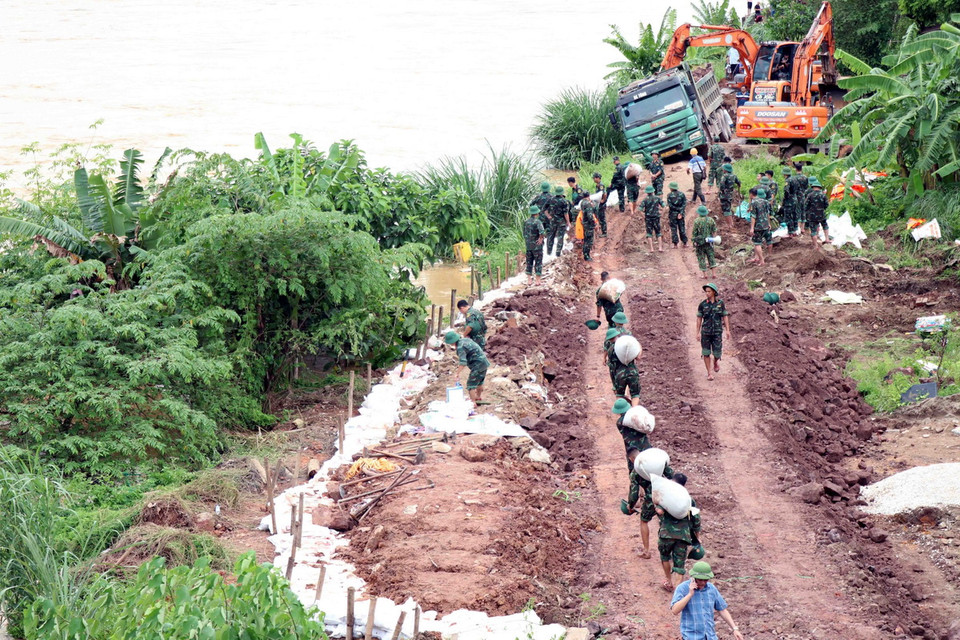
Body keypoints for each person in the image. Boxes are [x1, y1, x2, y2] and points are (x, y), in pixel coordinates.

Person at [623, 444, 675, 560]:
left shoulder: (635, 473)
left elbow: (634, 493)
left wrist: (630, 505)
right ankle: (670, 552)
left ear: (631, 459)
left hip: (651, 498)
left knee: (644, 521)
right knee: (665, 522)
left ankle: (646, 551)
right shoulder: (656, 463)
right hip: (665, 495)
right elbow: (671, 474)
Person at [671, 562, 745, 640]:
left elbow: (722, 609)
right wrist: (689, 594)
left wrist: (734, 629)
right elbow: (675, 610)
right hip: (692, 637)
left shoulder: (711, 588)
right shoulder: (682, 588)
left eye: (706, 580)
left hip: (710, 636)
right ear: (694, 577)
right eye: (700, 580)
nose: (703, 583)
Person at [656, 472, 701, 591]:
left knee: (665, 557)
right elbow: (696, 519)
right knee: (679, 565)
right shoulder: (688, 499)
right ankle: (677, 591)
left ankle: (668, 581)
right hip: (683, 536)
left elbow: (659, 512)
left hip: (666, 534)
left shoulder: (667, 496)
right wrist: (697, 537)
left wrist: (657, 504)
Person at [696, 283, 732, 381]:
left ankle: (715, 362)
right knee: (706, 353)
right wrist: (697, 332)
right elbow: (699, 318)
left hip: (717, 333)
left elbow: (725, 316)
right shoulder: (702, 305)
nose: (707, 293)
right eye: (706, 291)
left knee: (717, 353)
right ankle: (709, 373)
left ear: (714, 292)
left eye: (709, 291)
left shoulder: (720, 304)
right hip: (706, 333)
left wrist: (727, 330)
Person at [444, 331, 489, 403]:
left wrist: (457, 373)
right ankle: (478, 397)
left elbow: (463, 362)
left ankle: (473, 402)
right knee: (480, 381)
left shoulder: (460, 347)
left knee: (471, 384)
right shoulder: (465, 340)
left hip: (477, 365)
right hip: (484, 362)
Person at [691, 206, 719, 279]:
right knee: (711, 257)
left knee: (701, 258)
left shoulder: (697, 221)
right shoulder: (711, 220)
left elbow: (694, 233)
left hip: (700, 243)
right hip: (709, 242)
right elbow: (714, 231)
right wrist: (713, 240)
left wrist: (694, 241)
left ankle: (705, 275)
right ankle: (714, 274)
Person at [748, 187, 773, 266]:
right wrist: (769, 223)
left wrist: (752, 228)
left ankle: (761, 260)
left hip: (758, 226)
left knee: (757, 243)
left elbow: (753, 216)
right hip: (766, 225)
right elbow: (768, 213)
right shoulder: (766, 202)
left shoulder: (753, 203)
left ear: (751, 194)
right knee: (769, 241)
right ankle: (769, 256)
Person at [804, 177, 829, 253]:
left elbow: (805, 206)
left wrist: (808, 211)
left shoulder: (810, 195)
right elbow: (827, 205)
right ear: (819, 187)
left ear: (813, 187)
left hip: (812, 216)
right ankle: (827, 239)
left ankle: (816, 246)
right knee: (825, 226)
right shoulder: (823, 195)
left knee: (813, 231)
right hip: (821, 214)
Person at [523, 205, 545, 285]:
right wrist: (540, 239)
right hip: (537, 246)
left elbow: (524, 233)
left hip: (528, 246)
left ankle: (529, 280)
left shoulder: (526, 222)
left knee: (529, 262)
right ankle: (537, 281)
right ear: (537, 213)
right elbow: (542, 232)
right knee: (538, 262)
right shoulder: (538, 222)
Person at [546, 186, 570, 257]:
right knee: (560, 237)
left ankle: (549, 252)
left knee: (551, 236)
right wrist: (568, 222)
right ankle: (558, 253)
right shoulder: (564, 201)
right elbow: (566, 213)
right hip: (561, 222)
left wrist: (548, 216)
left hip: (552, 221)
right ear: (562, 193)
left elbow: (544, 209)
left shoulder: (551, 199)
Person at [641, 185, 664, 253]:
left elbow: (640, 209)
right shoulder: (657, 198)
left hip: (648, 218)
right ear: (653, 191)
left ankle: (651, 249)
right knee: (658, 233)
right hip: (656, 217)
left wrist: (644, 216)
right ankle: (660, 248)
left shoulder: (645, 199)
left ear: (647, 192)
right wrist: (662, 214)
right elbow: (664, 206)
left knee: (649, 233)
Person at [718, 163, 741, 230]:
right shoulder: (734, 176)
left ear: (725, 170)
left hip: (724, 195)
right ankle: (731, 224)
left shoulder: (724, 176)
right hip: (730, 195)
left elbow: (722, 184)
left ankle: (729, 225)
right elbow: (739, 182)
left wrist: (722, 190)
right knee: (728, 208)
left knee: (726, 210)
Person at [667, 182, 688, 249]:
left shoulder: (669, 195)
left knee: (674, 229)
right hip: (680, 214)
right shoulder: (682, 194)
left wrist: (677, 210)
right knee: (682, 228)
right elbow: (684, 204)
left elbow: (670, 205)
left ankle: (675, 244)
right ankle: (685, 243)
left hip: (672, 214)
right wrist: (681, 212)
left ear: (671, 188)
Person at [790, 164, 810, 234]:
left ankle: (798, 227)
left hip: (796, 196)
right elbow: (806, 187)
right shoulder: (805, 178)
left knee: (797, 211)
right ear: (802, 169)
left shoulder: (793, 178)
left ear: (796, 169)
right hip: (803, 196)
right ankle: (802, 228)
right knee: (803, 211)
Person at [780, 166, 800, 235]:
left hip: (789, 201)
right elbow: (798, 189)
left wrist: (785, 199)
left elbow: (786, 191)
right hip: (795, 198)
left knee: (788, 216)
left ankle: (790, 232)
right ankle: (795, 229)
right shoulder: (795, 179)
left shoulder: (788, 180)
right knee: (794, 215)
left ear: (785, 174)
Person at [579, 196, 599, 261]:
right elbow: (590, 216)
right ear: (589, 196)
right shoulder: (588, 204)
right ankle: (587, 256)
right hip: (589, 225)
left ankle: (585, 254)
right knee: (589, 241)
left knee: (586, 240)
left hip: (584, 224)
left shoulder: (582, 202)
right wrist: (594, 224)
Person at [591, 171, 609, 237]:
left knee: (602, 217)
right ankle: (602, 229)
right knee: (599, 216)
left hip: (601, 204)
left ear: (597, 178)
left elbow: (604, 193)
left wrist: (603, 200)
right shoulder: (598, 185)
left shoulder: (601, 185)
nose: (594, 179)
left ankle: (604, 233)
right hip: (599, 203)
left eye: (594, 178)